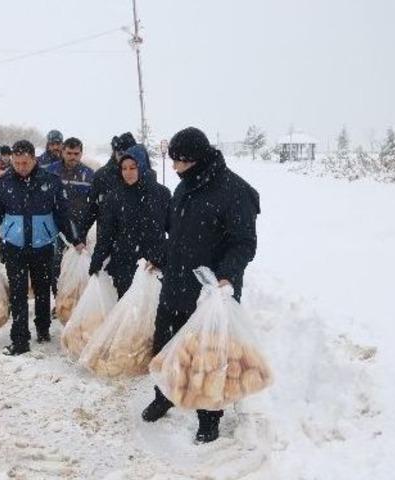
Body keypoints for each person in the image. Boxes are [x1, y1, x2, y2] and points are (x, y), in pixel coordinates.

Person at [141, 127, 260, 444]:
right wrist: (161, 257)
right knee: (166, 347)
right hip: (175, 284)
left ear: (196, 159)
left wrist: (226, 275)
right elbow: (178, 236)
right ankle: (164, 394)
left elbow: (244, 243)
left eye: (179, 162)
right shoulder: (185, 187)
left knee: (208, 357)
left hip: (210, 293)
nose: (175, 168)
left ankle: (209, 416)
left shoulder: (235, 192)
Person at [0, 140, 85, 356]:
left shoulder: (50, 181)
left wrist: (75, 238)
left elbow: (63, 213)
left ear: (34, 159)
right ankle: (19, 340)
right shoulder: (4, 181)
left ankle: (43, 329)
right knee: (18, 293)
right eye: (16, 163)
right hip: (14, 245)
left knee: (43, 289)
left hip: (42, 244)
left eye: (25, 163)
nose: (20, 167)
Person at [88, 144, 170, 297]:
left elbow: (175, 230)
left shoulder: (161, 194)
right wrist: (97, 259)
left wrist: (160, 256)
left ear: (142, 166)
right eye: (124, 168)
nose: (128, 173)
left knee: (152, 315)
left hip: (153, 266)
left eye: (133, 168)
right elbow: (106, 233)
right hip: (125, 264)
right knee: (128, 316)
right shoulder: (115, 197)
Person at [46, 137, 95, 297]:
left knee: (79, 264)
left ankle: (76, 299)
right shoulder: (50, 171)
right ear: (62, 152)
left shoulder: (88, 174)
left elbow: (94, 203)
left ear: (81, 154)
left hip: (81, 227)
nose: (72, 157)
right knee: (56, 264)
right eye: (69, 153)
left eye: (76, 153)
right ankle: (60, 298)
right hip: (55, 227)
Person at [83, 132, 137, 237]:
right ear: (114, 153)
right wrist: (80, 235)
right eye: (121, 154)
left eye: (128, 154)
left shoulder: (142, 175)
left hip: (136, 241)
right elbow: (91, 208)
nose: (124, 159)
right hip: (107, 241)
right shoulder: (102, 176)